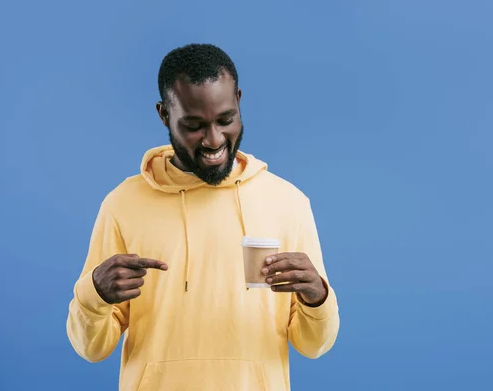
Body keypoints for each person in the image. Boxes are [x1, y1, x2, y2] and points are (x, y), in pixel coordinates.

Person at [66, 43, 340, 391]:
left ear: (238, 100)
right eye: (194, 125)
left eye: (225, 120)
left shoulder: (288, 202)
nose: (214, 140)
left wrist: (317, 297)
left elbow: (314, 345)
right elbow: (92, 348)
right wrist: (94, 295)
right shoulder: (123, 204)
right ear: (164, 114)